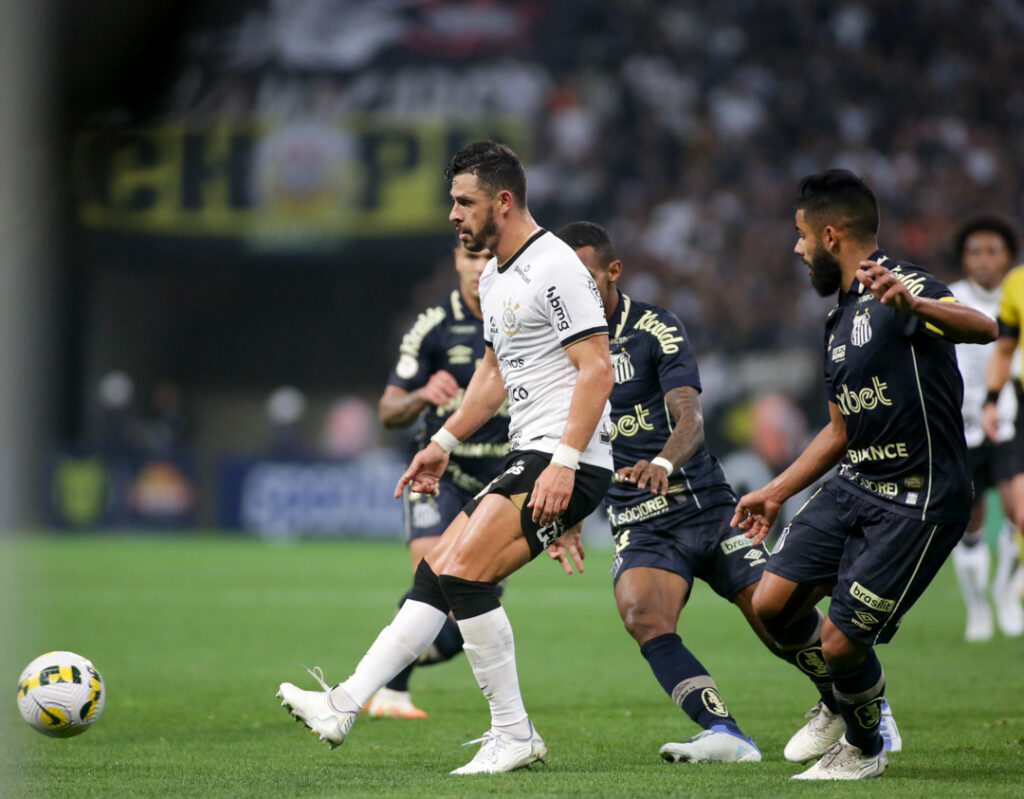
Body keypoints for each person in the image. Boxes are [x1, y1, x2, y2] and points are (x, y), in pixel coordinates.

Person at [276, 140, 615, 774]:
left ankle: (513, 733)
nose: (453, 215)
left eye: (464, 202)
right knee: (437, 574)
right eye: (452, 202)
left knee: (464, 578)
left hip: (564, 457)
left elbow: (596, 370)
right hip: (535, 453)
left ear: (504, 201)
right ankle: (344, 704)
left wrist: (566, 461)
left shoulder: (556, 266)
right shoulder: (493, 273)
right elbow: (491, 374)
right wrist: (441, 443)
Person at [551, 221, 899, 765]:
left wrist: (664, 460)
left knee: (773, 615)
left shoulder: (653, 328)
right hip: (638, 520)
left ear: (613, 271)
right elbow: (566, 435)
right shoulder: (559, 346)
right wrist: (571, 507)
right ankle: (724, 732)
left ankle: (858, 705)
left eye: (584, 276)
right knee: (642, 615)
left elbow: (690, 414)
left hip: (705, 505)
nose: (573, 289)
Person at [733, 169, 997, 780]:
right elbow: (838, 430)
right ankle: (843, 697)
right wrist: (774, 493)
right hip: (856, 483)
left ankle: (865, 745)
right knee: (770, 603)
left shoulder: (902, 285)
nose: (796, 250)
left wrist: (916, 305)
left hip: (919, 498)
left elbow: (985, 328)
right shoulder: (837, 321)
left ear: (831, 235)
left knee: (842, 643)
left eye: (801, 236)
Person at [365, 239, 509, 718]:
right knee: (435, 575)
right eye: (471, 257)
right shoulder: (432, 326)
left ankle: (388, 683)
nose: (478, 267)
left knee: (455, 624)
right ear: (457, 260)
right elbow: (389, 410)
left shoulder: (522, 320)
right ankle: (383, 691)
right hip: (440, 477)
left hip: (502, 481)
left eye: (488, 258)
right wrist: (424, 393)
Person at [949, 217, 1024, 641]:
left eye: (992, 251)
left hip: (1010, 420)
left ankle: (1004, 592)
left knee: (1020, 514)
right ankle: (977, 606)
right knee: (970, 523)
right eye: (974, 252)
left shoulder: (1018, 296)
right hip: (961, 428)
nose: (983, 261)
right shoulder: (950, 298)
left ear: (1009, 257)